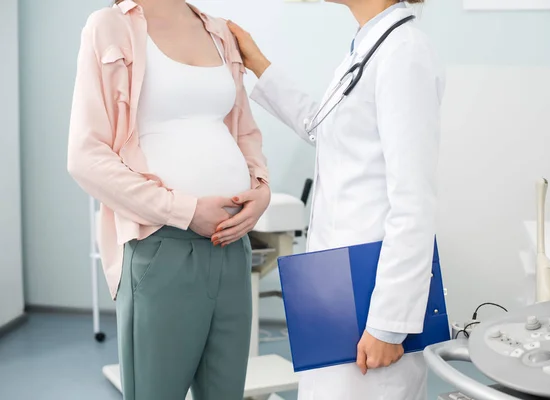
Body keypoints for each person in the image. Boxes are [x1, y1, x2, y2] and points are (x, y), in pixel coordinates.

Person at [220, 0, 444, 398]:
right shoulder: (368, 46)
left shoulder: (403, 51)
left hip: (373, 291)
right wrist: (258, 63)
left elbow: (414, 203)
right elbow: (324, 127)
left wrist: (388, 325)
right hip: (337, 277)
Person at [67, 0, 270, 399]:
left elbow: (244, 131)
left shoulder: (220, 31)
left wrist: (260, 188)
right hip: (162, 247)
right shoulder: (109, 27)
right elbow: (85, 156)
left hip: (232, 247)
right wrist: (187, 211)